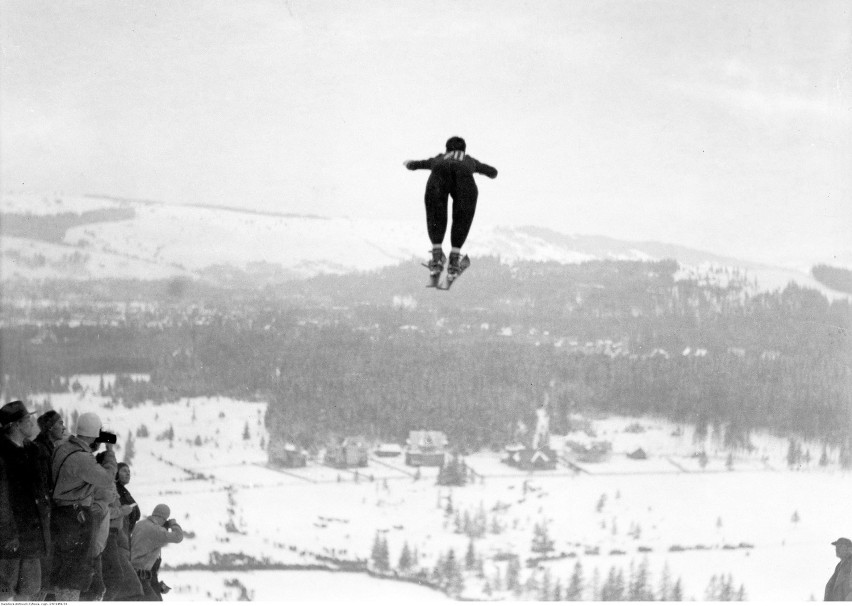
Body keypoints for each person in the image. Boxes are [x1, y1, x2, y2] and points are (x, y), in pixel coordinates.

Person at [404, 136, 498, 277]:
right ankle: (454, 260)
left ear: (447, 149)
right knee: (463, 216)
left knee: (435, 213)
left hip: (438, 175)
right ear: (463, 150)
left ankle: (437, 257)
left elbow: (420, 164)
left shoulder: (440, 159)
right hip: (465, 177)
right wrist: (491, 172)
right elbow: (492, 172)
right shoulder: (468, 160)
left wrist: (409, 164)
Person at [50, 411, 117, 601]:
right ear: (93, 434)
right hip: (75, 516)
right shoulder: (82, 458)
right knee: (74, 572)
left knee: (62, 568)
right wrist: (110, 452)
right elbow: (106, 478)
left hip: (61, 513)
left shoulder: (63, 447)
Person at [0, 400, 51, 601]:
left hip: (32, 536)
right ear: (15, 425)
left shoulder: (31, 452)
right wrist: (8, 534)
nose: (32, 423)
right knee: (4, 593)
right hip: (9, 538)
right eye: (27, 419)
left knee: (28, 593)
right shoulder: (3, 456)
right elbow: (2, 501)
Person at [131, 504, 183, 600]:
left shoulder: (140, 524)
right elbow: (178, 537)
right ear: (165, 517)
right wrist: (173, 524)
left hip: (131, 572)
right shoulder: (156, 530)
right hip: (141, 576)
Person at [116, 462, 141, 536]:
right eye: (124, 471)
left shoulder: (123, 491)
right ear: (116, 473)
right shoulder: (114, 490)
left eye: (129, 471)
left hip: (124, 535)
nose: (128, 474)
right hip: (117, 535)